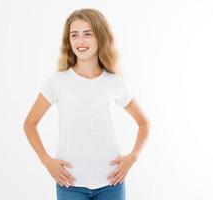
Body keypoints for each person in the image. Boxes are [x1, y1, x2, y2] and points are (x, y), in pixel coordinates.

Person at [23, 8, 150, 200]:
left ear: (100, 37)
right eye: (74, 35)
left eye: (88, 34)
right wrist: (46, 161)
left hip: (111, 182)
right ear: (69, 41)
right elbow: (30, 124)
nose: (80, 41)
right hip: (70, 183)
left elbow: (144, 123)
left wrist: (133, 157)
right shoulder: (57, 81)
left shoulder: (115, 82)